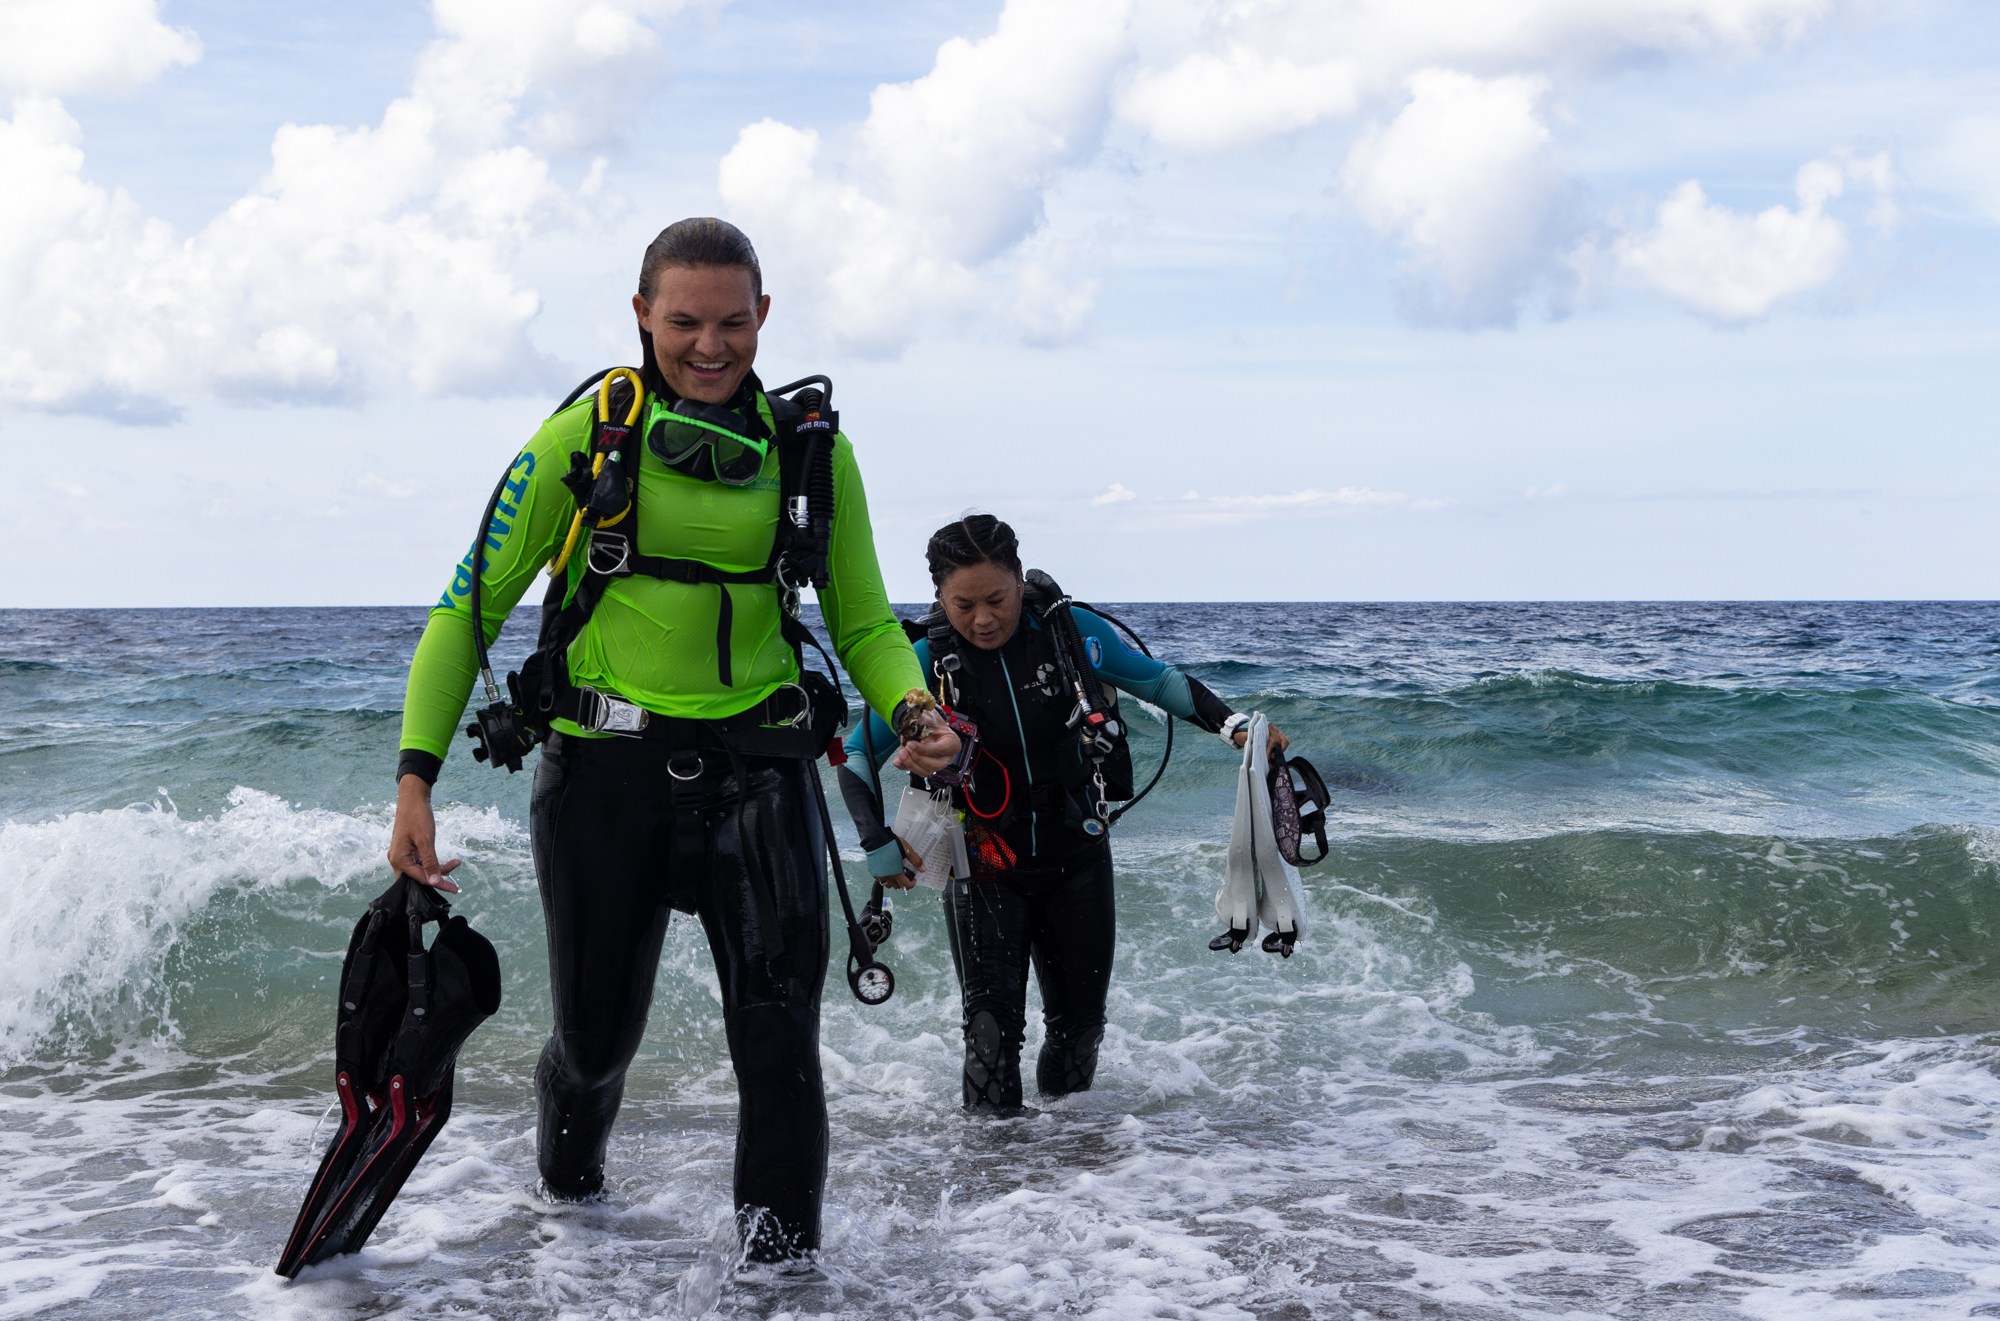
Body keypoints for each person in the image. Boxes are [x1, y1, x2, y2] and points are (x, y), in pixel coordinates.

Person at [383, 217, 960, 1262]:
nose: (709, 346)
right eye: (684, 321)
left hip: (759, 777)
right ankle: (570, 1221)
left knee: (781, 1042)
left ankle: (780, 1281)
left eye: (732, 323)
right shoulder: (580, 441)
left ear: (764, 316)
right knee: (596, 1046)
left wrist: (917, 713)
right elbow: (466, 607)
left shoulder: (809, 453)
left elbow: (866, 620)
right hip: (604, 783)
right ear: (640, 313)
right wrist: (414, 779)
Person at [836, 515, 1285, 1112]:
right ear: (939, 598)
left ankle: (1067, 1168)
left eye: (997, 598)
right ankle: (994, 1184)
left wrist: (1236, 727)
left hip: (1077, 851)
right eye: (964, 604)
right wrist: (876, 842)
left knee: (1079, 1032)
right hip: (986, 862)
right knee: (991, 1038)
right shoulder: (921, 662)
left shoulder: (1070, 633)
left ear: (1021, 581)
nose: (984, 619)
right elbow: (857, 753)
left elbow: (1160, 682)